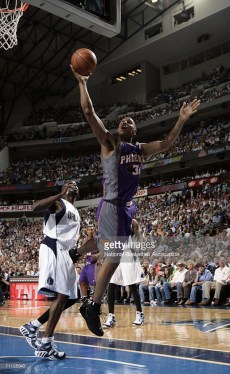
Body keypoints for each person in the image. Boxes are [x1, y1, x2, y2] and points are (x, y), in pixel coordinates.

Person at [72, 66, 200, 336]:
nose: (125, 122)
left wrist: (182, 119)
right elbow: (89, 113)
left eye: (130, 121)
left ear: (135, 129)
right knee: (114, 256)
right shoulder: (110, 144)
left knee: (113, 254)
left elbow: (165, 144)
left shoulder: (139, 150)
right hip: (111, 204)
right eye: (122, 120)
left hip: (125, 208)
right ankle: (93, 307)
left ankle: (91, 302)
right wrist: (83, 82)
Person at [20, 181, 81, 360]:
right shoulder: (59, 202)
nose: (74, 185)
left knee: (72, 296)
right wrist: (58, 195)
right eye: (70, 184)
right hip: (54, 246)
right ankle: (46, 343)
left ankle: (33, 326)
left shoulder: (75, 210)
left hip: (65, 252)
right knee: (61, 295)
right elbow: (34, 207)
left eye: (76, 185)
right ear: (65, 189)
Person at [103, 219, 145, 328]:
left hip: (127, 255)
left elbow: (137, 234)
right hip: (115, 254)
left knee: (131, 285)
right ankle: (111, 316)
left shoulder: (131, 220)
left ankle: (140, 314)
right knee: (111, 284)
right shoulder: (112, 222)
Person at [79, 226, 98, 302]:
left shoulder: (97, 239)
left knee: (94, 283)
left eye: (92, 230)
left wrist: (97, 255)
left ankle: (95, 299)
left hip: (94, 263)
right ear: (87, 231)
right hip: (87, 262)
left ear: (94, 231)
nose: (90, 231)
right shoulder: (85, 240)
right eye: (89, 230)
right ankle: (85, 298)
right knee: (81, 281)